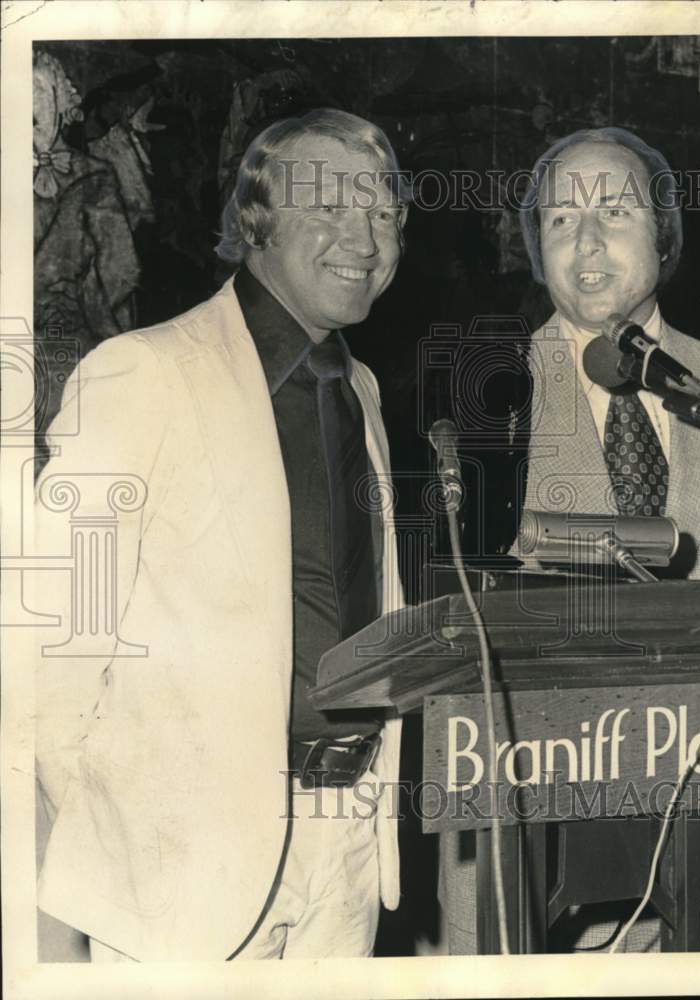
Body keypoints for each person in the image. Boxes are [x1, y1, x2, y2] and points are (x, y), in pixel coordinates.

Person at [34, 108, 410, 962]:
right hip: (185, 869)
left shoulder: (364, 392)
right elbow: (55, 639)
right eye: (329, 206)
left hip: (347, 847)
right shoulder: (144, 372)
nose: (364, 236)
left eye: (383, 213)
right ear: (257, 223)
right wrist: (128, 828)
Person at [439, 126, 700, 953]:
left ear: (667, 233)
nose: (586, 238)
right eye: (559, 219)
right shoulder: (481, 392)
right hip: (528, 855)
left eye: (613, 209)